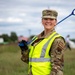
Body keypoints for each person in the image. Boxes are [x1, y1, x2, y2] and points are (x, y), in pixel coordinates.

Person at [19, 9, 66, 75]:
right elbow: (29, 60)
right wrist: (24, 49)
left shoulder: (57, 40)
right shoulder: (36, 38)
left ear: (55, 22)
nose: (48, 21)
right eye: (45, 19)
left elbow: (57, 67)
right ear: (42, 21)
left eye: (51, 19)